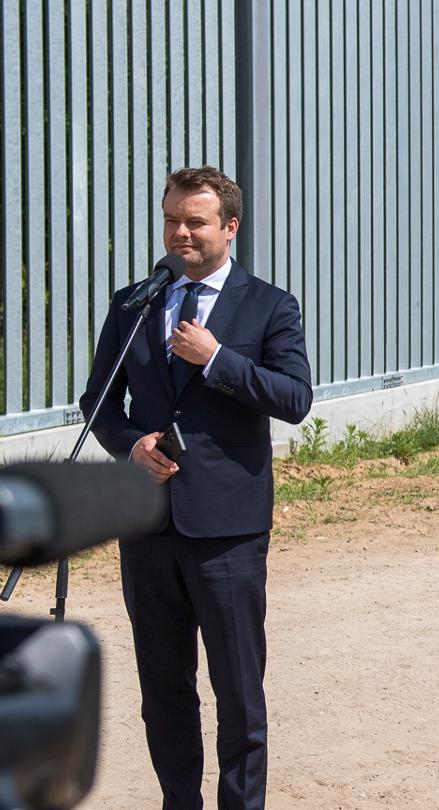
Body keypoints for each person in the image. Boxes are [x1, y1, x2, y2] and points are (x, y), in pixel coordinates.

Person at [80, 166, 312, 810]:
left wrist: (216, 358)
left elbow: (295, 398)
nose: (180, 233)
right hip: (149, 524)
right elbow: (99, 401)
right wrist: (132, 444)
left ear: (229, 227)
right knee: (163, 690)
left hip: (227, 530)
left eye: (195, 222)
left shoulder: (269, 306)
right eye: (171, 220)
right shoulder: (134, 304)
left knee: (238, 691)